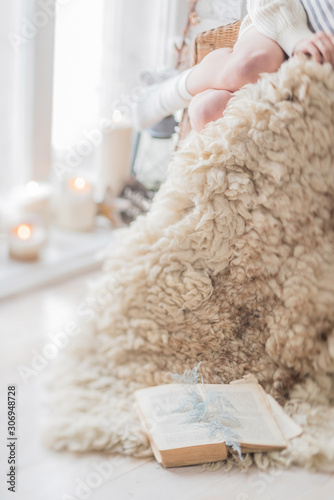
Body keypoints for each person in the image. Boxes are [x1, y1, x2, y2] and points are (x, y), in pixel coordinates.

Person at [134, 0, 334, 132]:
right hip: (286, 16)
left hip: (323, 72)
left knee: (206, 112)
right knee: (250, 66)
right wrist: (296, 36)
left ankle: (173, 91)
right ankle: (163, 96)